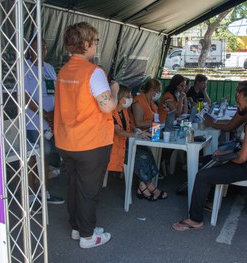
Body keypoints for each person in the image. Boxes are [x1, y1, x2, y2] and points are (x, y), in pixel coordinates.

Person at [54, 22, 118, 249]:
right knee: (89, 190)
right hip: (91, 142)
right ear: (86, 43)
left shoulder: (64, 70)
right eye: (96, 41)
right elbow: (108, 106)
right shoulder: (94, 72)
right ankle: (88, 235)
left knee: (74, 186)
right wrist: (115, 90)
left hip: (66, 140)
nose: (97, 45)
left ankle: (77, 227)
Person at [172, 86, 247, 231]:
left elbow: (242, 157)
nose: (237, 106)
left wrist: (225, 158)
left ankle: (195, 219)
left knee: (203, 176)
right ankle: (207, 199)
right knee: (207, 160)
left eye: (239, 104)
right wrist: (226, 154)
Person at [107, 85, 168, 201]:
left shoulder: (123, 111)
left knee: (146, 152)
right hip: (116, 148)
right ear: (120, 98)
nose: (131, 98)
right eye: (128, 96)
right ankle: (150, 187)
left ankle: (142, 186)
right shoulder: (111, 112)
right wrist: (136, 134)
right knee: (141, 157)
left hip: (126, 144)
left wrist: (136, 130)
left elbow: (129, 125)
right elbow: (119, 132)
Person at [25, 38, 64, 205]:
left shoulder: (48, 68)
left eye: (44, 47)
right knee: (33, 160)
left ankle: (45, 194)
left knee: (46, 158)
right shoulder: (24, 68)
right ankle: (32, 197)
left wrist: (54, 114)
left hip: (50, 123)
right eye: (36, 47)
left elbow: (56, 93)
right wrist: (45, 114)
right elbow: (25, 97)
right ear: (29, 49)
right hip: (33, 123)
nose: (41, 50)